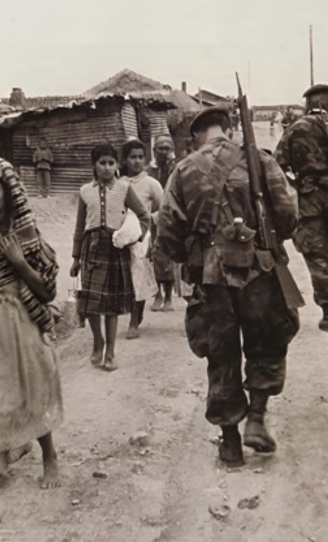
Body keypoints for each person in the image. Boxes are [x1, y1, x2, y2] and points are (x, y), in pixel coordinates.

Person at [155, 106, 301, 467]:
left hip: (210, 275)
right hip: (258, 269)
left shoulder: (183, 170)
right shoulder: (259, 160)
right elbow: (288, 215)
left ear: (196, 136)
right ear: (229, 128)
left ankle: (231, 442)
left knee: (221, 355)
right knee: (266, 343)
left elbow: (168, 232)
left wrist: (189, 257)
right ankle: (256, 418)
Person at [0, 158, 64, 536]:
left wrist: (21, 264)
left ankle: (49, 456)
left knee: (32, 390)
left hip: (24, 317)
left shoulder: (26, 231)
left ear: (9, 192)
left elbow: (47, 290)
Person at [274, 83, 328, 332]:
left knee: (317, 254)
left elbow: (278, 164)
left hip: (310, 197)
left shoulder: (295, 129)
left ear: (307, 106)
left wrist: (296, 182)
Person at [72, 144, 151, 372]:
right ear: (94, 165)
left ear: (117, 165)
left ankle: (110, 353)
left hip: (116, 250)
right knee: (91, 304)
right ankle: (98, 341)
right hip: (92, 248)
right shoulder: (85, 191)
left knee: (111, 306)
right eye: (102, 163)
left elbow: (144, 217)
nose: (107, 168)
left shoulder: (124, 188)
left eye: (111, 163)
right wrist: (76, 257)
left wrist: (135, 237)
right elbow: (79, 228)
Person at [120, 140, 163, 340]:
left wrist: (150, 226)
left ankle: (134, 320)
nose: (137, 161)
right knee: (123, 276)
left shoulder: (151, 184)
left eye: (140, 157)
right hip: (120, 235)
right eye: (132, 157)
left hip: (141, 235)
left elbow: (164, 209)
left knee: (138, 274)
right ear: (125, 159)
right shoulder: (118, 182)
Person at [149, 134, 180, 310]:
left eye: (167, 148)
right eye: (160, 148)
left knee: (168, 255)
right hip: (152, 217)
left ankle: (169, 295)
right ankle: (157, 293)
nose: (164, 152)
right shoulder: (150, 170)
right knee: (154, 254)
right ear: (154, 151)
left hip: (170, 216)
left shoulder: (175, 169)